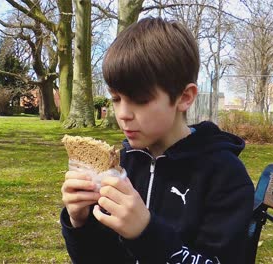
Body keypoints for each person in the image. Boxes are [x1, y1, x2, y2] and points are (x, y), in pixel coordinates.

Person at [60, 17, 254, 264]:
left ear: (184, 97)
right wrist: (79, 222)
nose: (122, 114)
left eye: (139, 99)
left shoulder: (225, 177)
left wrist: (145, 232)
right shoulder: (124, 165)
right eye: (116, 98)